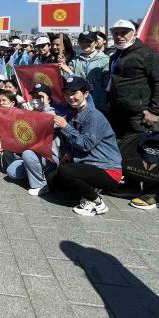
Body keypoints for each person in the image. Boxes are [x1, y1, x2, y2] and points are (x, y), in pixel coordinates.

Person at [106, 19, 159, 209]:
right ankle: (132, 185)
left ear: (134, 33)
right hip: (119, 113)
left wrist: (155, 110)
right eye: (116, 32)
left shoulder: (148, 54)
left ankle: (152, 193)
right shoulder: (117, 54)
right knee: (127, 151)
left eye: (124, 32)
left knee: (148, 152)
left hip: (141, 114)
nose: (119, 36)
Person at [49, 76, 123, 217]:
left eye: (74, 93)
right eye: (67, 93)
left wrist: (66, 127)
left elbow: (86, 144)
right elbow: (70, 141)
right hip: (87, 164)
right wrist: (67, 153)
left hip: (106, 169)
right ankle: (89, 190)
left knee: (65, 171)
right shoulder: (72, 112)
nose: (70, 97)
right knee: (54, 180)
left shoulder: (94, 116)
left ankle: (96, 202)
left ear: (86, 94)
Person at [5, 83, 59, 195]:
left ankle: (41, 185)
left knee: (27, 154)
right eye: (34, 96)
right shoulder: (30, 112)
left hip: (49, 157)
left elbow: (53, 123)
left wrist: (46, 105)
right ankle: (35, 173)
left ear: (48, 98)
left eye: (39, 97)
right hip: (33, 154)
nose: (35, 99)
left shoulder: (54, 113)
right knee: (12, 172)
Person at [61, 31, 109, 109]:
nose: (85, 44)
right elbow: (68, 80)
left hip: (98, 103)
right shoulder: (75, 61)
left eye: (89, 41)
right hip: (78, 104)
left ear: (96, 43)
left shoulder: (105, 60)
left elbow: (106, 85)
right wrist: (63, 67)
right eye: (82, 41)